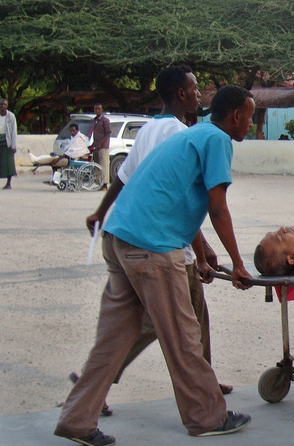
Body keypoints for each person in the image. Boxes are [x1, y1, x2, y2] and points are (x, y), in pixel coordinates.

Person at [54, 85, 255, 446]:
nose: (251, 124)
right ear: (236, 115)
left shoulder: (192, 135)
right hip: (151, 246)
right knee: (183, 336)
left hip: (120, 237)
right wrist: (239, 264)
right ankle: (207, 417)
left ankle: (76, 420)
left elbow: (179, 199)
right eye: (250, 117)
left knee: (114, 339)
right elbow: (216, 206)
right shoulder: (217, 139)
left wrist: (202, 254)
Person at [79, 66, 232, 418]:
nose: (198, 94)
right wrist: (201, 251)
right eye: (194, 88)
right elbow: (175, 195)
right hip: (164, 242)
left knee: (187, 318)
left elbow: (125, 177)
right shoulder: (180, 133)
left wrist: (101, 211)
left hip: (144, 235)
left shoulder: (149, 128)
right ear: (181, 94)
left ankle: (203, 384)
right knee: (173, 325)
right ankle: (200, 400)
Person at [89, 103, 112, 189]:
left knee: (104, 165)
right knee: (97, 165)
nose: (97, 111)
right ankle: (99, 183)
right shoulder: (94, 120)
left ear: (101, 110)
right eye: (95, 109)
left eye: (99, 109)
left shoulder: (105, 120)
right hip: (96, 146)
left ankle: (104, 184)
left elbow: (108, 133)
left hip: (103, 146)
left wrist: (100, 143)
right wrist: (93, 145)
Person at [0, 98, 18, 190]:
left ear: (7, 106)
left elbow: (14, 132)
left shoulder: (11, 116)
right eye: (1, 104)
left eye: (4, 104)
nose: (2, 106)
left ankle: (8, 183)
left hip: (7, 141)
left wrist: (13, 146)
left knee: (8, 163)